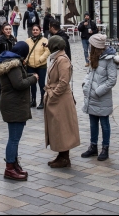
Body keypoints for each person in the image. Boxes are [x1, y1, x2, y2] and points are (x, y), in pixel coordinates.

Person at [0, 42, 38, 181]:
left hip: (13, 104)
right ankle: (10, 168)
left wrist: (29, 75)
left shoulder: (10, 61)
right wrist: (33, 79)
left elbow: (18, 78)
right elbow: (19, 84)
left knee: (14, 138)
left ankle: (14, 164)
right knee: (14, 139)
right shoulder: (14, 64)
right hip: (14, 105)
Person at [81, 34, 119, 162]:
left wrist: (98, 91)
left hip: (101, 97)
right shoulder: (94, 57)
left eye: (91, 45)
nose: (89, 47)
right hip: (91, 96)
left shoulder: (109, 59)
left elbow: (112, 80)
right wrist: (85, 85)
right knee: (93, 123)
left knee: (104, 124)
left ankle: (105, 148)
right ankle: (93, 146)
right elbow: (89, 74)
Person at [44, 35, 81, 168]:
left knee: (63, 128)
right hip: (57, 99)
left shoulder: (62, 60)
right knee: (58, 128)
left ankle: (65, 157)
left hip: (61, 100)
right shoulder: (56, 58)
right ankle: (61, 155)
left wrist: (53, 95)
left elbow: (64, 82)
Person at [25, 25, 49, 109]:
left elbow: (47, 51)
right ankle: (33, 100)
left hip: (41, 65)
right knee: (32, 84)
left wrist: (41, 59)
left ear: (40, 31)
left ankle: (42, 101)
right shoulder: (28, 40)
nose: (35, 31)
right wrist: (26, 60)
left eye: (37, 30)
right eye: (34, 30)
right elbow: (26, 51)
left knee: (41, 84)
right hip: (30, 65)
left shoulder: (44, 40)